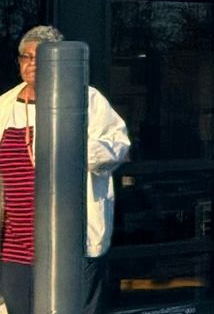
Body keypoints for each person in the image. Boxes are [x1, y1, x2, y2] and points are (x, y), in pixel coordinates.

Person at [0, 26, 131, 314]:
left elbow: (118, 147)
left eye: (39, 58)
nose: (31, 64)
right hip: (15, 245)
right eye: (25, 57)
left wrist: (69, 145)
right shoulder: (5, 105)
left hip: (69, 241)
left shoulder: (86, 99)